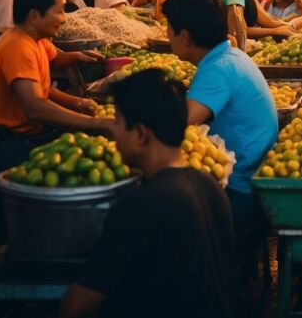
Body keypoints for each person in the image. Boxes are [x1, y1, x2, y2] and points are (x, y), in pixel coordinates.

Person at [60, 69, 234, 318]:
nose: (113, 133)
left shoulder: (141, 205)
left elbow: (74, 307)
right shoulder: (211, 186)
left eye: (118, 124)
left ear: (141, 134)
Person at [162, 0, 277, 231]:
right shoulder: (231, 56)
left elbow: (174, 125)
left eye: (168, 26)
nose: (166, 33)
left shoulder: (217, 70)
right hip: (253, 179)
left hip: (240, 193)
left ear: (184, 36)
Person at [0, 0, 108, 171]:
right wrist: (94, 123)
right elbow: (36, 107)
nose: (63, 19)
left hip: (31, 135)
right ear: (34, 16)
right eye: (60, 11)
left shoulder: (37, 39)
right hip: (11, 144)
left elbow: (51, 66)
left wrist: (78, 101)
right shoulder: (18, 46)